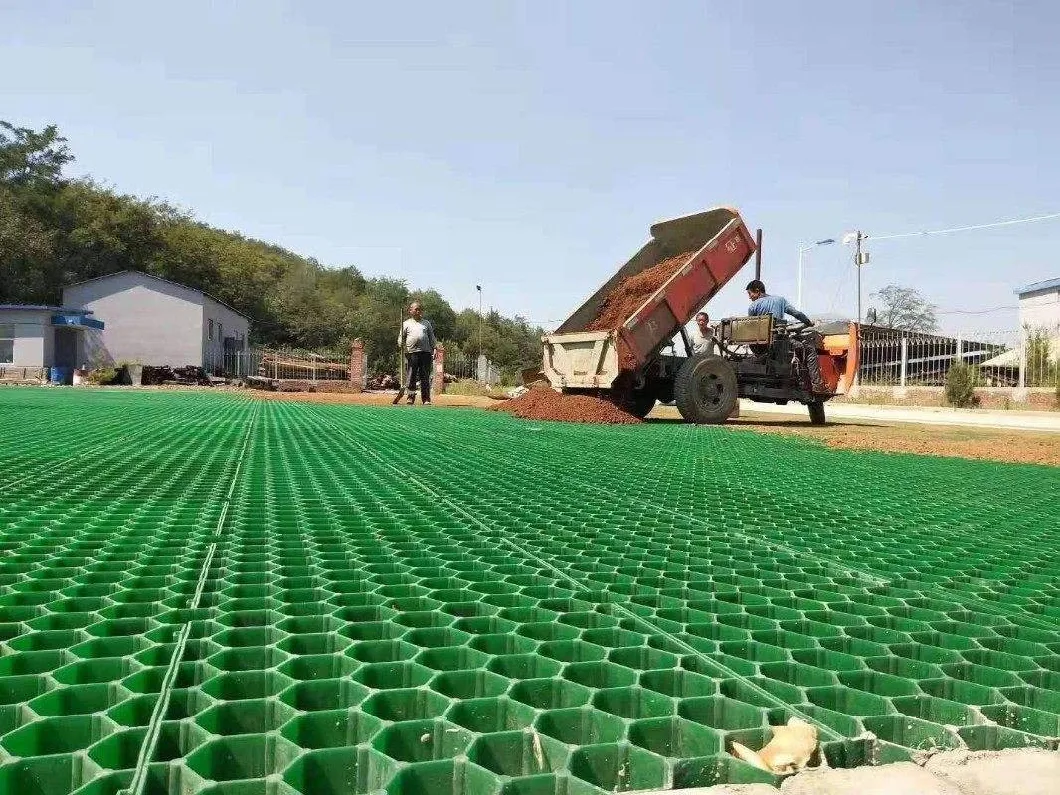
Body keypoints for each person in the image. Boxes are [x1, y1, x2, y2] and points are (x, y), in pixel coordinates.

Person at [745, 280, 826, 393]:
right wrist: (808, 322)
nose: (750, 297)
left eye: (750, 294)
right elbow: (796, 313)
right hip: (779, 343)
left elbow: (751, 327)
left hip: (761, 347)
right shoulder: (780, 300)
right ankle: (817, 385)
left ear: (757, 291)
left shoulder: (753, 307)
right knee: (809, 350)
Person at [398, 302, 437, 405]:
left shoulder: (426, 323)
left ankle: (426, 399)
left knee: (425, 376)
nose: (418, 311)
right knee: (411, 376)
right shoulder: (406, 323)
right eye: (416, 309)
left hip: (425, 353)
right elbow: (401, 337)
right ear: (410, 311)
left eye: (419, 309)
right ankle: (410, 398)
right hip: (411, 353)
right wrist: (400, 343)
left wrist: (435, 348)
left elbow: (431, 337)